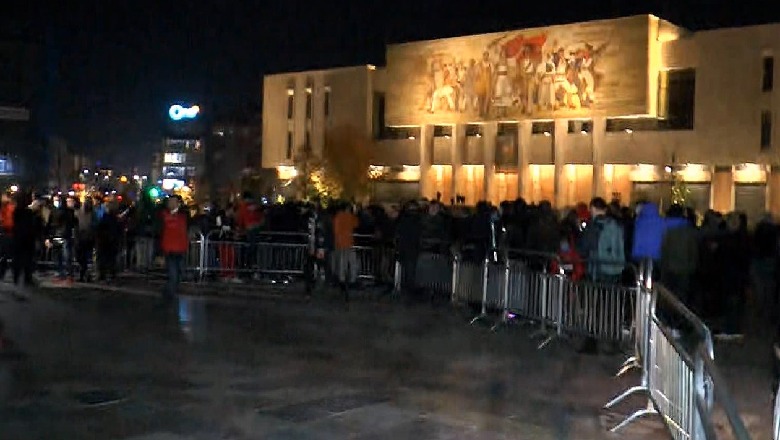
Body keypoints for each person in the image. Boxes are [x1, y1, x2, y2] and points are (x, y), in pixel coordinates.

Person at [11, 191, 40, 299]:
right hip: (27, 241)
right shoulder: (28, 213)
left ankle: (17, 284)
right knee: (26, 262)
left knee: (18, 263)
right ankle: (25, 282)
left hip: (18, 240)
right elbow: (31, 228)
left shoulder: (16, 212)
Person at [160, 196, 189, 301]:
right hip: (170, 249)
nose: (170, 203)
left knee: (177, 274)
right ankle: (169, 295)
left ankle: (168, 292)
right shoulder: (165, 215)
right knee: (173, 274)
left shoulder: (182, 215)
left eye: (172, 201)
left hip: (179, 248)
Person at [332, 202, 358, 303]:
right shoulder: (350, 217)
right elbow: (356, 224)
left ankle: (342, 280)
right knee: (351, 262)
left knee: (341, 263)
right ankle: (351, 279)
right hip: (349, 242)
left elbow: (336, 230)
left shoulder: (338, 217)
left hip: (340, 243)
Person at [75, 199, 96, 282]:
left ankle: (84, 275)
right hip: (83, 238)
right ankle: (85, 274)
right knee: (83, 258)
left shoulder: (91, 214)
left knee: (84, 258)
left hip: (86, 238)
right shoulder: (79, 213)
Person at [0, 192, 15, 281]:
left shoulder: (10, 208)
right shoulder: (5, 207)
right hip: (6, 233)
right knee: (4, 255)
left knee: (5, 255)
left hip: (8, 234)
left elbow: (9, 222)